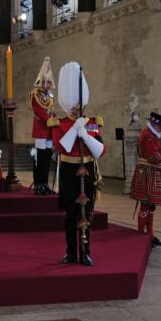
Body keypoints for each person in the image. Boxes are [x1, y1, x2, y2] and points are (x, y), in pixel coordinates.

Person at [52, 62, 105, 266]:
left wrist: (85, 133)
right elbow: (62, 147)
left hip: (88, 169)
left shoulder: (92, 122)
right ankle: (71, 252)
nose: (77, 106)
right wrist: (75, 129)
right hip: (69, 169)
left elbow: (100, 151)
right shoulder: (60, 123)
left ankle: (86, 251)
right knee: (71, 214)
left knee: (87, 213)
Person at [129, 111, 161, 248]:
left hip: (151, 173)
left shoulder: (150, 135)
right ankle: (141, 236)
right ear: (155, 124)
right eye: (160, 127)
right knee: (145, 205)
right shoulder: (148, 136)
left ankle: (149, 235)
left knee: (150, 206)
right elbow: (153, 158)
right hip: (148, 174)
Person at [29, 56, 58, 195]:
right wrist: (51, 120)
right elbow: (39, 111)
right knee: (39, 158)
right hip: (41, 129)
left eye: (49, 81)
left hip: (49, 130)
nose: (47, 84)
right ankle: (38, 184)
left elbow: (53, 111)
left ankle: (45, 184)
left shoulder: (50, 96)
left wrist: (58, 121)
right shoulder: (35, 95)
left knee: (47, 158)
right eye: (45, 81)